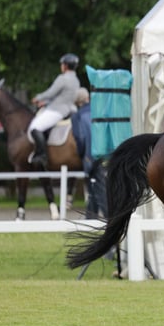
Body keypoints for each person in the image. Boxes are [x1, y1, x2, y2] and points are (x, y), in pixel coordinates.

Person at [28, 53, 81, 169]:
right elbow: (63, 95)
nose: (61, 66)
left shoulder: (63, 78)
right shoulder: (76, 80)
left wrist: (38, 98)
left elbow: (51, 92)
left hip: (58, 110)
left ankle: (41, 155)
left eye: (62, 64)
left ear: (65, 66)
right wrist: (46, 103)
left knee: (35, 127)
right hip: (71, 109)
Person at [71, 88, 106, 219]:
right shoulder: (99, 112)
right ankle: (90, 219)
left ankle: (110, 220)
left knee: (98, 189)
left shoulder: (77, 116)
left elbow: (80, 138)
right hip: (104, 153)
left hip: (90, 156)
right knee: (93, 188)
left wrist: (81, 154)